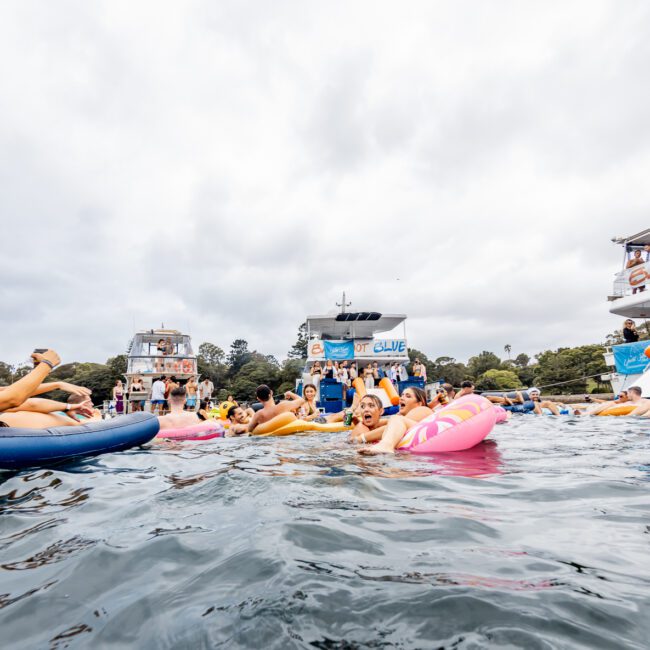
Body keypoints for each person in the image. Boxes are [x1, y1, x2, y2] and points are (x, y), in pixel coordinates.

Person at [357, 387, 434, 454]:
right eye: (402, 395)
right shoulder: (401, 418)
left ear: (419, 403)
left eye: (408, 396)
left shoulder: (423, 409)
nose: (401, 398)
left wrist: (361, 438)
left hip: (427, 440)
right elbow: (386, 423)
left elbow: (390, 427)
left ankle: (386, 446)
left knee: (396, 419)